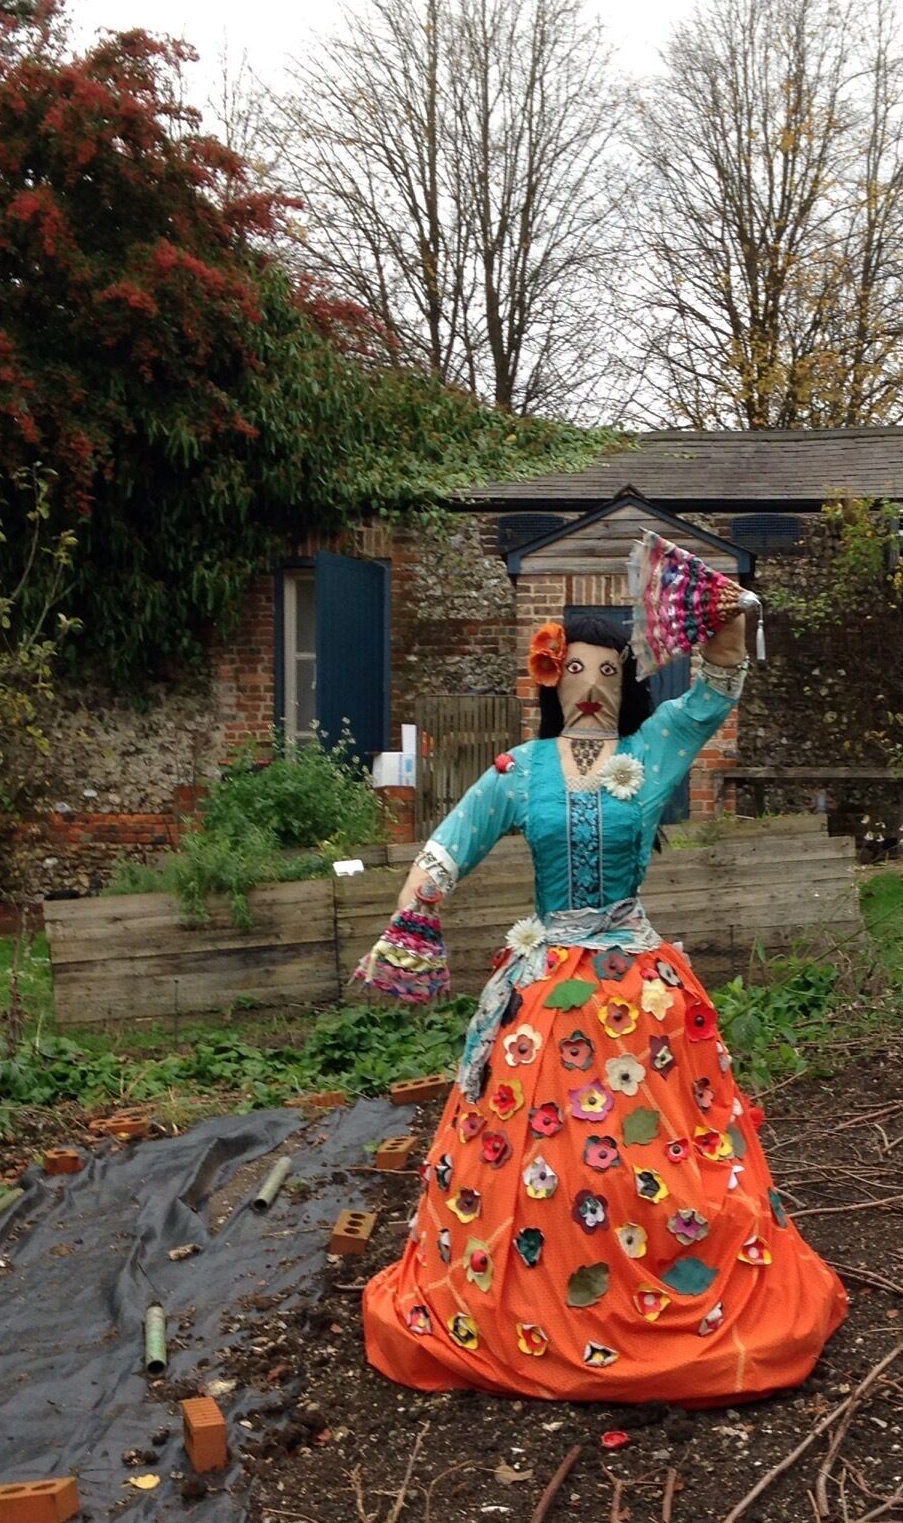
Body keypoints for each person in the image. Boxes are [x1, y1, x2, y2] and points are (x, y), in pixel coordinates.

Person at [352, 581, 847, 1405]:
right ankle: (537, 1291)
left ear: (627, 682)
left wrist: (727, 624)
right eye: (575, 670)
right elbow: (451, 841)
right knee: (540, 1149)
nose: (589, 687)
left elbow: (713, 696)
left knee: (652, 1149)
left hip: (640, 991)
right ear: (552, 680)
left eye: (608, 672)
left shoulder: (650, 753)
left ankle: (658, 1273)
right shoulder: (521, 771)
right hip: (546, 994)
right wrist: (418, 903)